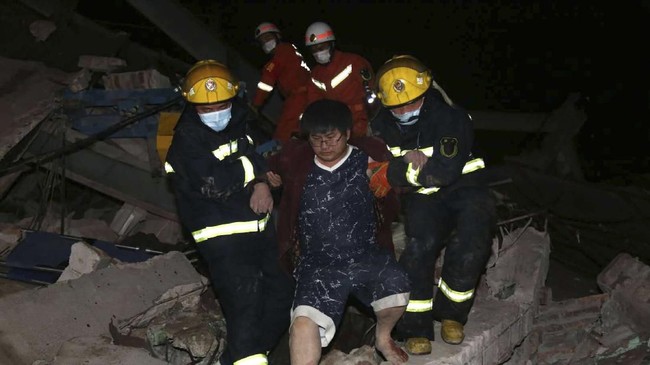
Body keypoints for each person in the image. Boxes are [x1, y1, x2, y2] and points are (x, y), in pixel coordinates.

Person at [164, 60, 294, 365]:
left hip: (260, 229)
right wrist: (258, 167)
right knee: (244, 304)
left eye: (220, 104)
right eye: (205, 108)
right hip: (223, 238)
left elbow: (250, 159)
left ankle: (235, 359)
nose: (215, 112)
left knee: (282, 293)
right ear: (191, 104)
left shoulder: (239, 121)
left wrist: (261, 183)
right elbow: (215, 184)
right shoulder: (186, 140)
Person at [266, 99, 410, 365]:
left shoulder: (369, 157)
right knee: (301, 326)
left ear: (346, 133)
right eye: (317, 139)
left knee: (397, 288)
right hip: (318, 264)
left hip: (365, 255)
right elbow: (266, 166)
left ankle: (383, 337)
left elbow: (400, 186)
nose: (324, 145)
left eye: (331, 138)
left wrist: (396, 174)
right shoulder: (295, 159)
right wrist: (262, 183)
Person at [370, 55, 496, 355]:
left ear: (424, 93)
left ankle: (452, 315)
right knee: (419, 246)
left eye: (411, 102)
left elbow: (442, 171)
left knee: (473, 241)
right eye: (396, 106)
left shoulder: (451, 118)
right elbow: (374, 172)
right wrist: (399, 167)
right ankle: (415, 327)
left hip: (465, 188)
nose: (403, 110)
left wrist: (399, 169)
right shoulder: (380, 126)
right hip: (422, 197)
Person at [304, 21, 376, 138]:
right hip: (336, 128)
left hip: (362, 122)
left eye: (322, 47)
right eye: (314, 49)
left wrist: (372, 122)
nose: (318, 52)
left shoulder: (354, 62)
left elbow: (372, 92)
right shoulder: (315, 75)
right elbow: (314, 104)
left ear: (332, 44)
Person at [252, 22, 312, 144]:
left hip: (298, 99)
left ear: (277, 36)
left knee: (282, 136)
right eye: (262, 41)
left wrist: (255, 105)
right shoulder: (291, 50)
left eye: (268, 37)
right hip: (308, 97)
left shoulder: (282, 52)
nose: (266, 42)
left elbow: (267, 81)